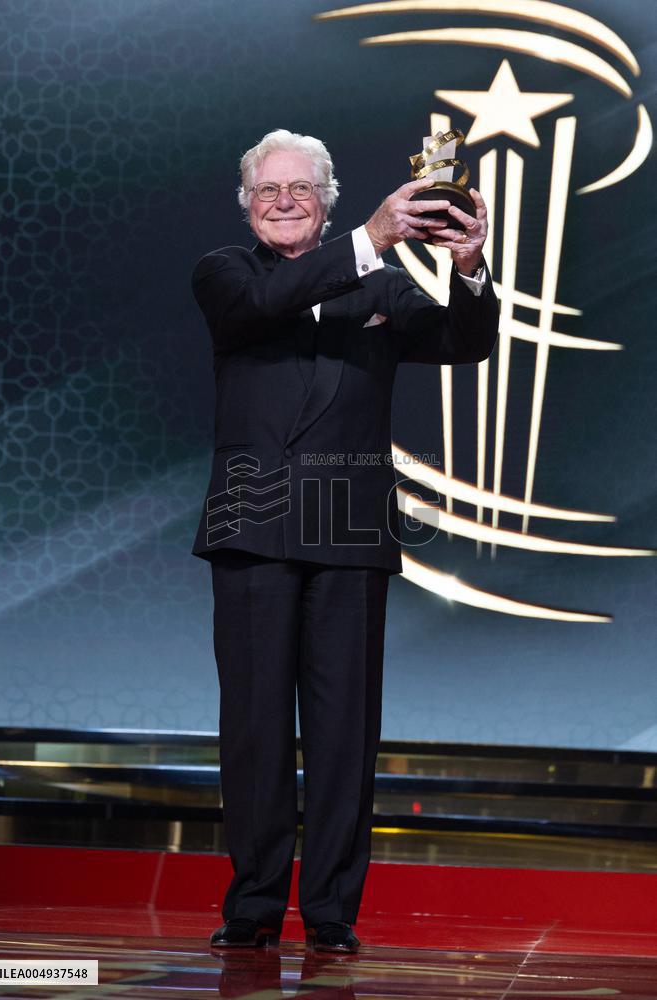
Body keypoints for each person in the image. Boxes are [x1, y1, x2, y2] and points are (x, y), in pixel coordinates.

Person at [191, 128, 498, 953]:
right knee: (254, 728)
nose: (283, 202)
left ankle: (331, 911)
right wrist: (372, 238)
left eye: (300, 190)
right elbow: (266, 306)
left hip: (348, 532)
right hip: (252, 526)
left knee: (343, 733)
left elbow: (465, 341)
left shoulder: (384, 288)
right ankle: (253, 907)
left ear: (324, 204)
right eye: (267, 191)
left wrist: (469, 266)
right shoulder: (225, 274)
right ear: (247, 205)